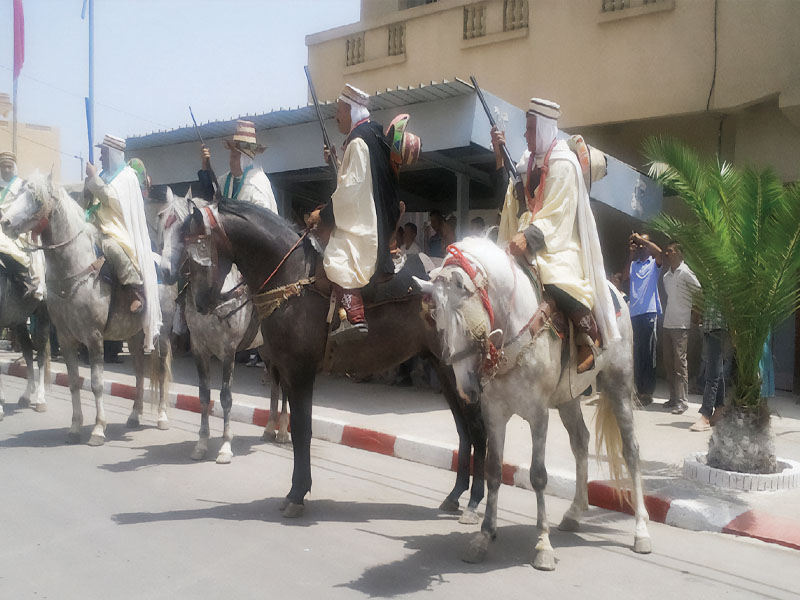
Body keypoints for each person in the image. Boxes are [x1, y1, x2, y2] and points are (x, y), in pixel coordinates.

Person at [494, 98, 620, 373]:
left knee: (553, 276)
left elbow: (557, 214)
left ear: (543, 129)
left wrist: (528, 237)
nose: (525, 135)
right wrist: (500, 157)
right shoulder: (527, 161)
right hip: (526, 235)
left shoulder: (564, 163)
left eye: (530, 130)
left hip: (558, 243)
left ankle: (588, 336)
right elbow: (518, 198)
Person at [306, 84, 401, 342]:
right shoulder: (372, 134)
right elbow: (358, 183)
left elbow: (350, 193)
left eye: (339, 110)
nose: (336, 116)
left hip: (368, 222)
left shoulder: (358, 142)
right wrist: (334, 164)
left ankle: (354, 315)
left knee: (335, 257)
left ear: (349, 109)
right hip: (379, 215)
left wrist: (322, 217)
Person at [85, 134, 161, 351]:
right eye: (100, 151)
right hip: (97, 225)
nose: (100, 154)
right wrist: (88, 184)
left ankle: (135, 287)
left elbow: (111, 198)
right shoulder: (103, 174)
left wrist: (94, 180)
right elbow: (92, 201)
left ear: (113, 153)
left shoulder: (126, 177)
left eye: (103, 151)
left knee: (111, 246)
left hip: (118, 229)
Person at [199, 120, 277, 212]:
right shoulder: (225, 180)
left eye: (235, 157)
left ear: (245, 159)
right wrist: (205, 166)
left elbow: (263, 218)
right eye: (231, 156)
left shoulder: (257, 182)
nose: (231, 161)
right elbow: (210, 200)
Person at [622, 233, 663, 405]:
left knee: (648, 354)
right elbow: (624, 277)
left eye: (642, 245)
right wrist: (631, 254)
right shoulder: (634, 265)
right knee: (636, 354)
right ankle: (639, 390)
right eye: (638, 245)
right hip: (634, 314)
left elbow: (660, 253)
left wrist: (642, 240)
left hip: (649, 313)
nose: (640, 247)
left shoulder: (653, 264)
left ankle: (647, 392)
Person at [661, 241, 700, 414]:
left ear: (679, 253)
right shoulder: (666, 277)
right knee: (669, 364)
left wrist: (695, 315)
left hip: (681, 325)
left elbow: (698, 292)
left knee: (680, 364)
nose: (667, 254)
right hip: (667, 324)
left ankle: (682, 401)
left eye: (670, 251)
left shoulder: (685, 273)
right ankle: (672, 398)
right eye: (667, 251)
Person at [0, 151, 39, 299]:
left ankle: (24, 279)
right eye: (3, 167)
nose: (7, 170)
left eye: (9, 167)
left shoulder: (21, 186)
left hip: (15, 229)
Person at [690, 302, 726, 431]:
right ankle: (720, 410)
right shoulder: (712, 283)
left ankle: (705, 415)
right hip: (709, 327)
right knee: (717, 370)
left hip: (719, 328)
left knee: (712, 373)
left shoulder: (724, 283)